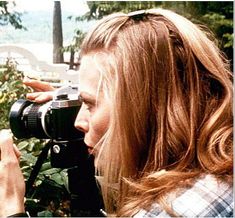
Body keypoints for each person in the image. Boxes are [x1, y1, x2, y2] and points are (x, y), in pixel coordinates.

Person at [0, 8, 233, 217]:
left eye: (90, 105)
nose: (78, 122)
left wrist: (11, 207)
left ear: (143, 109)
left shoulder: (168, 211)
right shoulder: (217, 176)